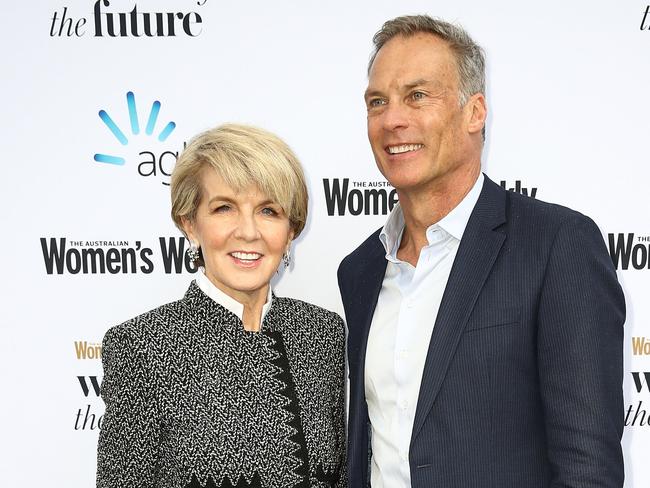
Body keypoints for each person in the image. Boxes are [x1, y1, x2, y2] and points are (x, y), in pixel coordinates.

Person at [338, 14, 625, 488]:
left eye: (417, 95)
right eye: (377, 102)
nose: (393, 119)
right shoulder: (361, 269)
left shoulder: (556, 245)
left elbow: (587, 468)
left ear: (475, 112)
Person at [97, 124, 346, 488]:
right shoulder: (141, 346)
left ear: (290, 232)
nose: (248, 231)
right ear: (190, 224)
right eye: (224, 208)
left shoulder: (322, 334)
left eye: (268, 211)